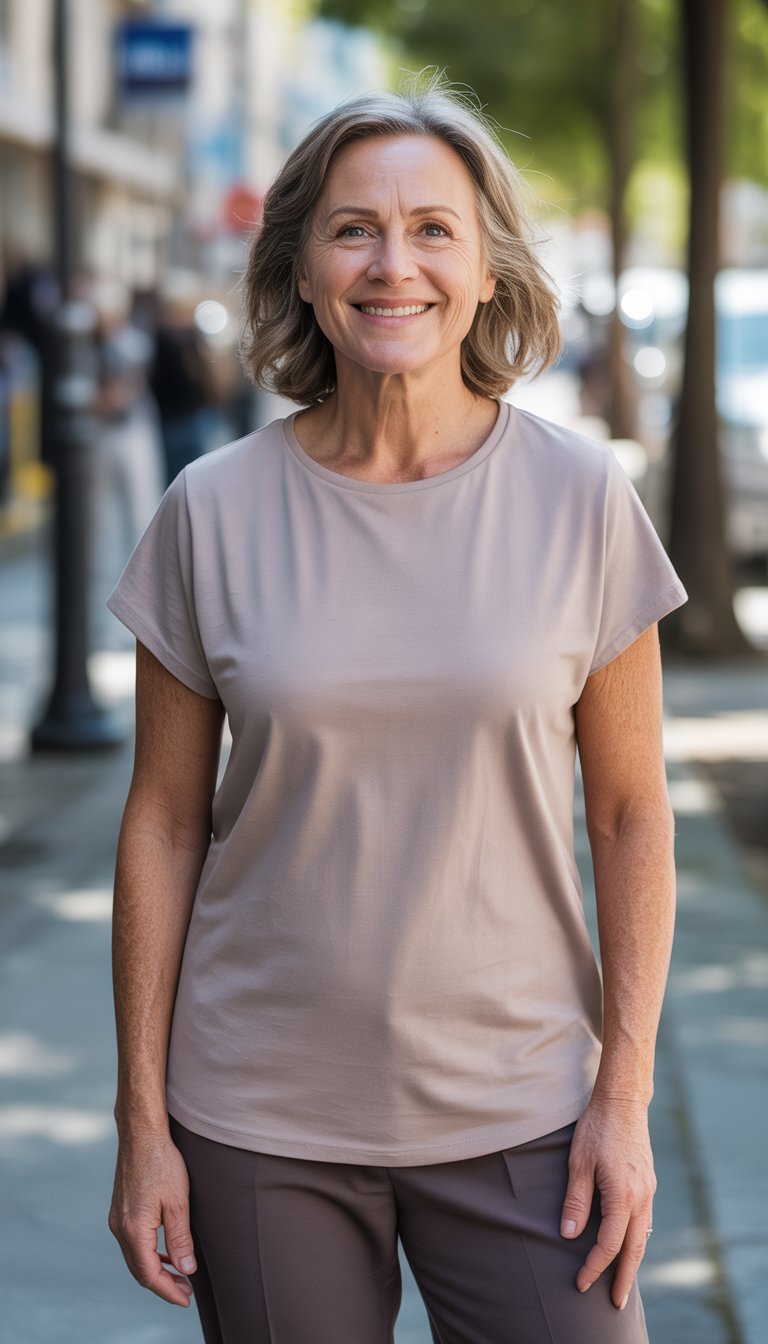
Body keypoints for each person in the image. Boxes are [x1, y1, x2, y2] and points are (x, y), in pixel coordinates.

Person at [107, 76, 687, 1344]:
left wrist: (625, 1094)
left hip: (530, 1111)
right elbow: (160, 823)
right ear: (304, 268)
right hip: (260, 1119)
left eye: (435, 229)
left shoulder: (582, 502)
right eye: (355, 228)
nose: (394, 264)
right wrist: (142, 1123)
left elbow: (634, 812)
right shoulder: (211, 509)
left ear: (488, 273)